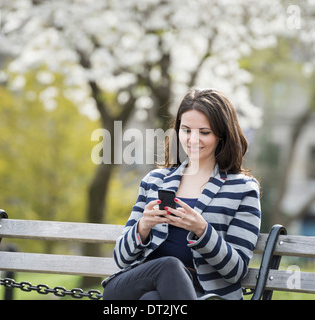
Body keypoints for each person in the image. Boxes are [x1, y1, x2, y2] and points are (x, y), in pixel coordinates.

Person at [102, 88, 261, 300]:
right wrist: (143, 226)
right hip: (132, 287)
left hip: (202, 294)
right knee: (167, 266)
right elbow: (121, 258)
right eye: (186, 130)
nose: (193, 139)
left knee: (152, 300)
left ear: (222, 135)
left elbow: (236, 271)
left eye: (204, 132)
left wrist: (202, 230)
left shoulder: (242, 189)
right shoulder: (154, 181)